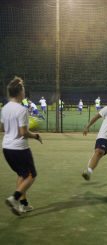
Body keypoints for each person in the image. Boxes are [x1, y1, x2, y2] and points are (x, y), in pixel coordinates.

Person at [1, 76, 43, 216]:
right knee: (31, 175)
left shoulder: (5, 108)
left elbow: (2, 127)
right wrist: (35, 136)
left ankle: (23, 204)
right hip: (19, 148)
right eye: (23, 89)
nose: (24, 91)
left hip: (6, 148)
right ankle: (14, 198)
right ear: (19, 92)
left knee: (22, 174)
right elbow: (23, 132)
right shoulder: (21, 110)